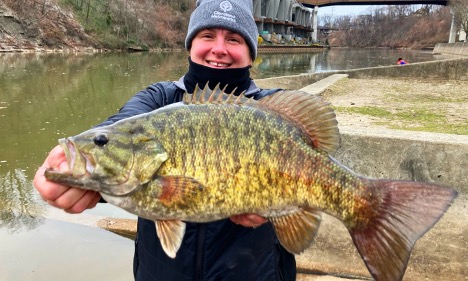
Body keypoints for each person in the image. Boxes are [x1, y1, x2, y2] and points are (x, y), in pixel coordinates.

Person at [33, 0, 297, 280]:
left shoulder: (270, 109)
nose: (219, 49)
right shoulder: (158, 100)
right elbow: (117, 126)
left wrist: (281, 210)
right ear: (190, 44)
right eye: (207, 35)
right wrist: (78, 167)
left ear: (251, 53)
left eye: (233, 38)